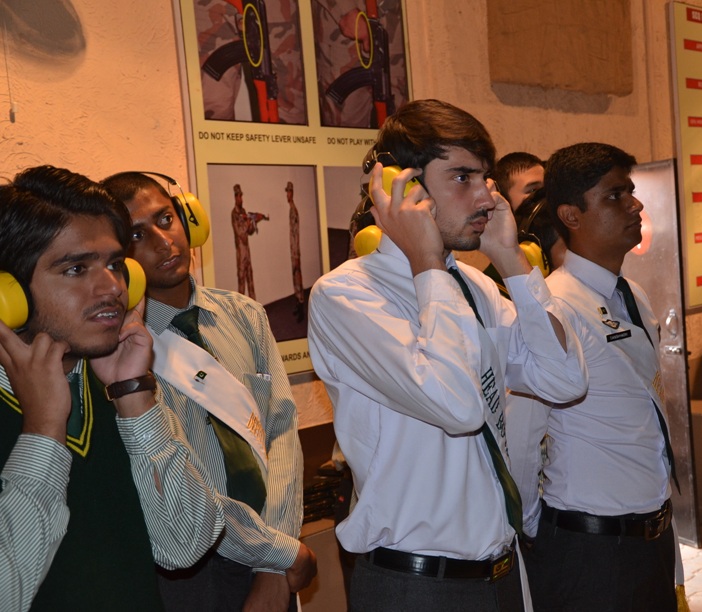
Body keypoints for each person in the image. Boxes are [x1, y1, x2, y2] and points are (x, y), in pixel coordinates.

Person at [307, 99, 588, 611]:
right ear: (404, 188)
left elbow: (564, 378)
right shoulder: (347, 295)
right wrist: (426, 259)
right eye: (462, 178)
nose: (486, 197)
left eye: (485, 178)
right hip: (418, 585)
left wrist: (511, 261)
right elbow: (458, 407)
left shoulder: (475, 285)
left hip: (501, 572)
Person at [0, 166, 223, 611]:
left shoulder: (120, 382)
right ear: (10, 294)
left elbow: (184, 545)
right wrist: (43, 431)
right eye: (76, 268)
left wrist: (134, 397)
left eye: (115, 265)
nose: (112, 288)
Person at [102, 172, 316, 612]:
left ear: (188, 220)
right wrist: (275, 554)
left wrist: (273, 564)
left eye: (166, 219)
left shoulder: (245, 315)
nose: (163, 242)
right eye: (137, 235)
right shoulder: (118, 351)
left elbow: (281, 431)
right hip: (191, 566)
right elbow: (179, 480)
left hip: (274, 549)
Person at [506, 142, 677, 611]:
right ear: (571, 215)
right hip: (591, 550)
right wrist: (538, 529)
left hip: (651, 537)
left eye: (631, 192)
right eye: (614, 196)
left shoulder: (631, 293)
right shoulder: (554, 307)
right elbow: (523, 436)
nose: (635, 206)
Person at [286, 181, 306, 321]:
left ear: (292, 193)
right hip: (293, 250)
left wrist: (295, 252)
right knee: (295, 277)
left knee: (298, 277)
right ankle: (298, 302)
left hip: (295, 251)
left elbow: (295, 233)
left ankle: (301, 305)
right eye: (287, 192)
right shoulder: (291, 209)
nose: (287, 194)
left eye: (289, 192)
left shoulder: (294, 210)